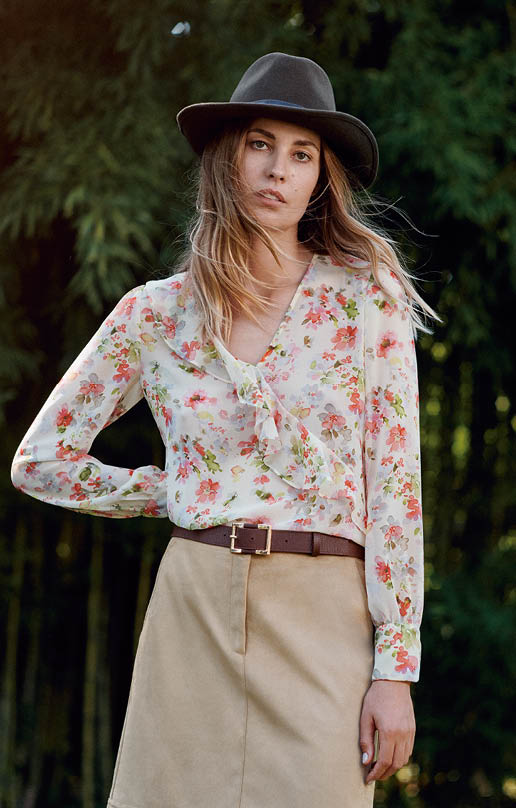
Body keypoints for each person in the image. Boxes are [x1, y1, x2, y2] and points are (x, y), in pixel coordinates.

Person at [11, 52, 441, 808]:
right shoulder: (155, 313)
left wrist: (395, 671)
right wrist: (172, 490)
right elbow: (40, 460)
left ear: (320, 178)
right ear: (225, 159)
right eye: (259, 145)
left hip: (324, 614)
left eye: (301, 154)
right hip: (195, 609)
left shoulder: (366, 300)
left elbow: (396, 489)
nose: (277, 170)